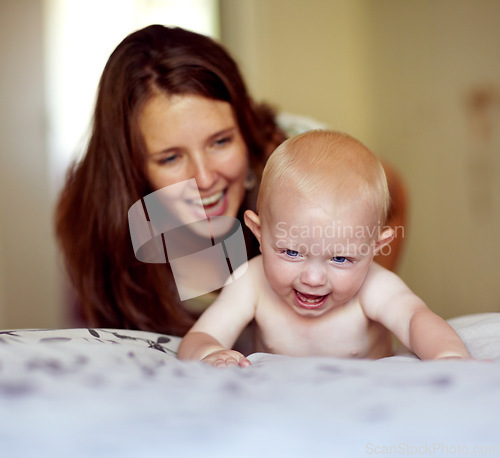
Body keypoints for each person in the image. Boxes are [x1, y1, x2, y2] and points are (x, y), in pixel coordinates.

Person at [55, 24, 405, 337]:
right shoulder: (97, 210)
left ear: (245, 128)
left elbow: (393, 193)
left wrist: (354, 308)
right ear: (130, 166)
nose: (205, 179)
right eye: (171, 157)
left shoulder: (293, 163)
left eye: (221, 141)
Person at [178, 130, 470, 366]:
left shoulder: (374, 286)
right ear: (258, 233)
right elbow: (201, 336)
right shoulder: (250, 281)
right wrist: (209, 354)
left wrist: (448, 357)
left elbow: (415, 320)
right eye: (291, 252)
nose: (313, 279)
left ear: (375, 248)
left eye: (341, 258)